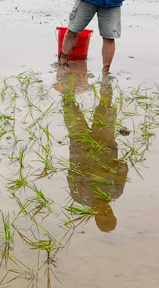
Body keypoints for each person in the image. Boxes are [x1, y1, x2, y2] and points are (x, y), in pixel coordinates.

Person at [61, 80, 128, 232]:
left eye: (102, 214)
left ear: (95, 215)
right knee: (106, 107)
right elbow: (124, 167)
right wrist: (109, 171)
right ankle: (106, 80)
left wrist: (93, 174)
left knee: (70, 108)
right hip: (105, 143)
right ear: (112, 212)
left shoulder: (79, 197)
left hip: (80, 148)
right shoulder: (116, 193)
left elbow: (71, 173)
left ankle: (66, 81)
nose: (105, 210)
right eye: (109, 212)